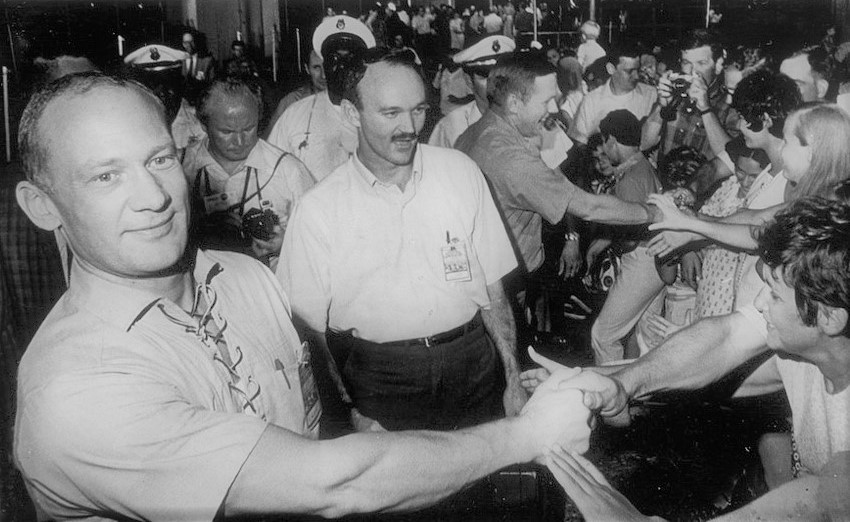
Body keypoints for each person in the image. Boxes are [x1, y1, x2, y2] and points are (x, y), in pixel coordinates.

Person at [13, 71, 594, 521]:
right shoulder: (76, 390)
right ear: (41, 206)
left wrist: (361, 424)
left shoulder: (243, 278)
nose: (152, 197)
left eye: (158, 159)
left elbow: (314, 403)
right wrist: (527, 436)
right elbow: (332, 483)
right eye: (105, 176)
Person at [545, 195, 850, 521]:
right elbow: (722, 340)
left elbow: (822, 499)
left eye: (774, 293)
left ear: (830, 318)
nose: (760, 302)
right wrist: (612, 382)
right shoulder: (806, 346)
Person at [279, 47, 527, 432]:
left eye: (419, 110)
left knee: (478, 487)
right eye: (391, 113)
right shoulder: (319, 210)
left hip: (473, 364)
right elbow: (308, 333)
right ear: (351, 114)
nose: (409, 127)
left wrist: (512, 378)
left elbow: (494, 289)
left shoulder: (460, 173)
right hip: (381, 379)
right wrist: (348, 410)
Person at [455, 53, 659, 332]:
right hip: (502, 286)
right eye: (544, 101)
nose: (553, 108)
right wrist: (654, 212)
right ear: (514, 103)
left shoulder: (479, 133)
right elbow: (589, 207)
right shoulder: (511, 158)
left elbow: (553, 180)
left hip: (490, 280)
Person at [181, 77, 315, 267]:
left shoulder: (288, 170)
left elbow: (321, 241)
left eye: (249, 129)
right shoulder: (181, 167)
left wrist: (287, 243)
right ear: (203, 125)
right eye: (227, 132)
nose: (239, 142)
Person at [588, 110, 663, 364]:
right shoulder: (643, 167)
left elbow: (630, 238)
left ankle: (611, 395)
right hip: (657, 260)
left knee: (603, 335)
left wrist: (608, 244)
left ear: (611, 140)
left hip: (642, 259)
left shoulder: (629, 178)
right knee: (645, 337)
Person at [266, 15, 375, 181]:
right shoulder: (295, 115)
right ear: (325, 65)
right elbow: (270, 173)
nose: (342, 67)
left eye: (350, 60)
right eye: (334, 59)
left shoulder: (380, 114)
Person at [641, 29, 739, 162]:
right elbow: (644, 143)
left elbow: (731, 160)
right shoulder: (674, 93)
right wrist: (661, 105)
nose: (693, 71)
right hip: (664, 179)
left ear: (718, 65)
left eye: (701, 63)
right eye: (686, 63)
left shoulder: (730, 105)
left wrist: (706, 109)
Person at [429, 35, 515, 148]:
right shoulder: (451, 128)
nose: (496, 84)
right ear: (469, 81)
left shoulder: (529, 119)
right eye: (485, 77)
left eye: (503, 76)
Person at [568, 42, 658, 145]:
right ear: (611, 69)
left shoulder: (652, 95)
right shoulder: (591, 102)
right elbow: (579, 143)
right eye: (629, 71)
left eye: (637, 70)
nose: (636, 76)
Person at [266, 50, 327, 133]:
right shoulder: (291, 102)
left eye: (326, 66)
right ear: (307, 68)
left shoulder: (345, 103)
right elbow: (269, 142)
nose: (323, 75)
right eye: (316, 68)